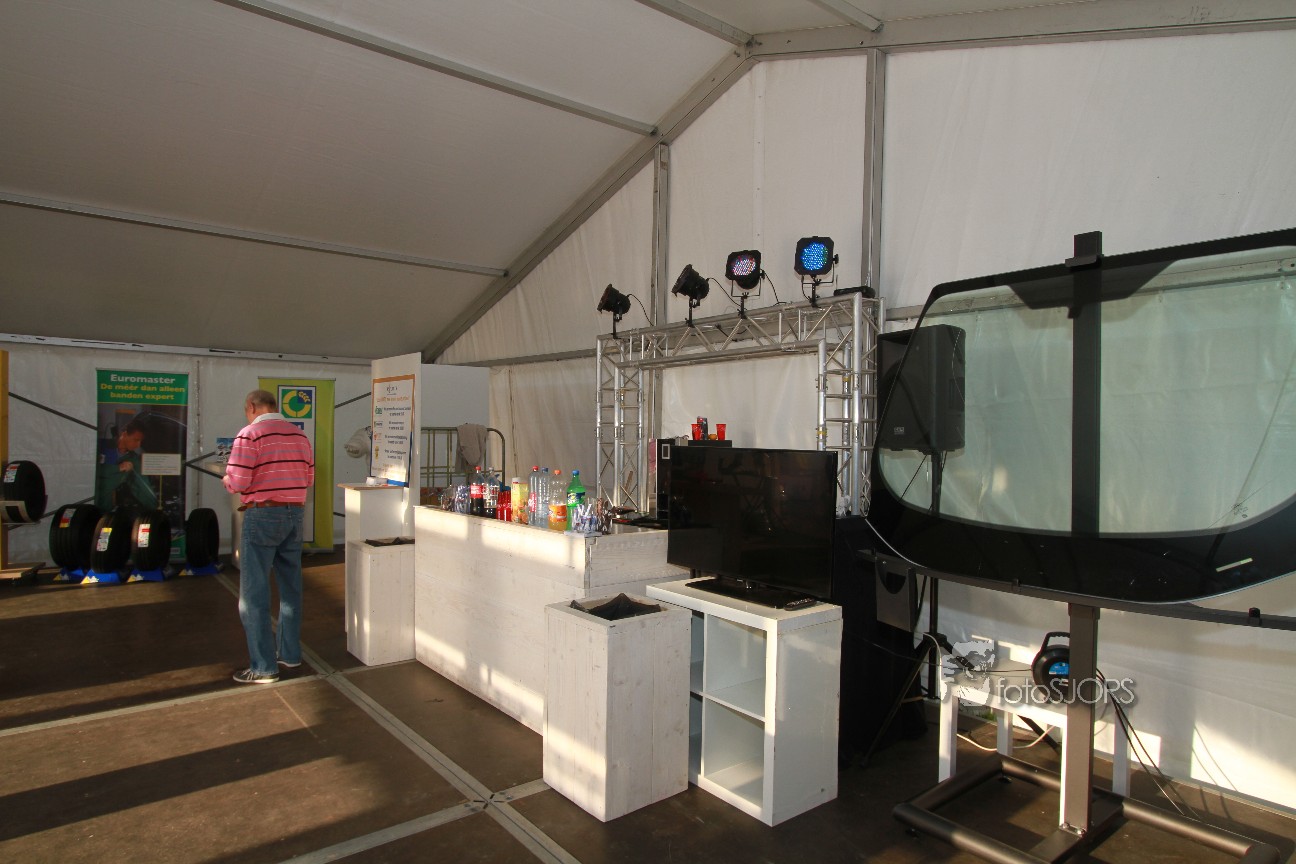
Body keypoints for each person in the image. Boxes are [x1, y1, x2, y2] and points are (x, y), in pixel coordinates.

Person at [223, 389, 315, 684]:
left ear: (251, 407)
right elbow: (309, 478)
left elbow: (239, 481)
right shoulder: (300, 436)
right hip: (295, 515)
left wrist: (227, 479)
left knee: (254, 593)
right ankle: (289, 654)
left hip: (262, 514)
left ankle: (263, 666)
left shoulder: (249, 434)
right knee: (291, 588)